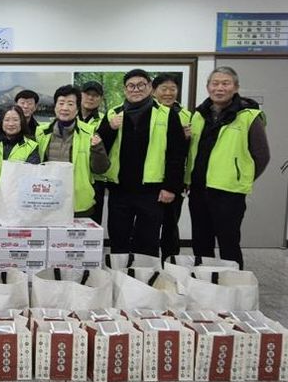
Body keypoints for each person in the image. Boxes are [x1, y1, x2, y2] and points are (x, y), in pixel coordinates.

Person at [186, 66, 269, 269]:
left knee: (228, 243)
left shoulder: (249, 116)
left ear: (236, 87)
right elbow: (194, 151)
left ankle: (233, 283)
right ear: (208, 87)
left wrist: (240, 177)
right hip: (198, 189)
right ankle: (204, 280)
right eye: (215, 83)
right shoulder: (198, 115)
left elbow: (262, 156)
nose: (219, 88)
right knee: (201, 241)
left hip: (229, 193)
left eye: (225, 83)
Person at [97, 69, 186, 257]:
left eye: (141, 85)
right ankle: (119, 273)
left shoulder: (167, 114)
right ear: (125, 89)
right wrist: (110, 127)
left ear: (150, 87)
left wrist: (171, 187)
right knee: (118, 238)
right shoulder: (114, 113)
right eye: (131, 86)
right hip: (119, 189)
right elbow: (99, 146)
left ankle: (145, 275)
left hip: (151, 190)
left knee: (147, 241)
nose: (135, 89)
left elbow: (176, 154)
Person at [36, 85, 110, 217]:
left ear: (77, 109)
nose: (65, 108)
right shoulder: (41, 132)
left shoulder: (89, 132)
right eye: (61, 103)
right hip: (46, 200)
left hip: (79, 203)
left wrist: (98, 148)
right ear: (55, 107)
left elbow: (100, 169)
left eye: (70, 104)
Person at [152, 74, 193, 259]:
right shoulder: (148, 112)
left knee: (170, 224)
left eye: (173, 89)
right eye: (164, 89)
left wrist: (187, 139)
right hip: (152, 178)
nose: (168, 93)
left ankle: (170, 262)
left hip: (175, 179)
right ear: (154, 91)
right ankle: (149, 264)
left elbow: (190, 151)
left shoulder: (186, 115)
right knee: (150, 225)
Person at [0, 105, 39, 190]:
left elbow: (32, 175)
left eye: (15, 120)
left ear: (22, 122)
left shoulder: (31, 146)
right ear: (1, 122)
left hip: (16, 194)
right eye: (7, 120)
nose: (11, 124)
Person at [80, 80, 107, 225]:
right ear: (80, 95)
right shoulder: (70, 116)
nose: (90, 98)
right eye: (87, 94)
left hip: (96, 178)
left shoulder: (105, 120)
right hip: (74, 175)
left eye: (95, 95)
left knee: (92, 223)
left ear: (100, 99)